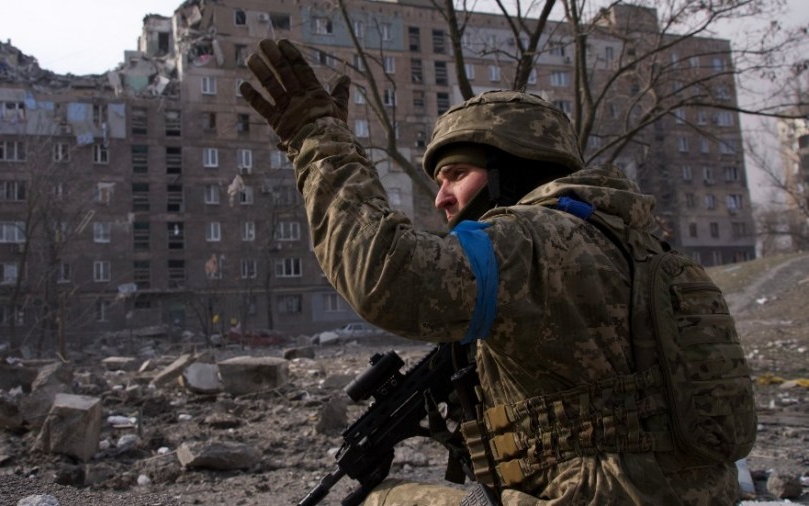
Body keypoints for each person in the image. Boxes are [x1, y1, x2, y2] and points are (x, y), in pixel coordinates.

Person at [240, 39, 746, 505]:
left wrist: (317, 141)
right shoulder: (636, 246)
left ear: (515, 169)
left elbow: (387, 277)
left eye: (456, 175)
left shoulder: (534, 240)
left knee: (379, 501)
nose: (441, 197)